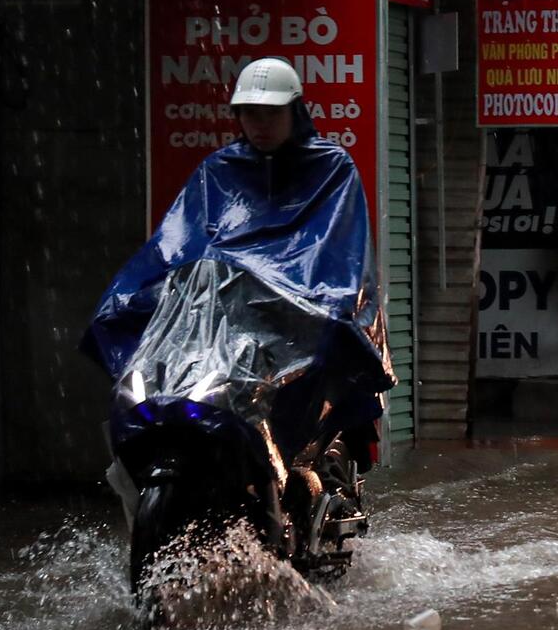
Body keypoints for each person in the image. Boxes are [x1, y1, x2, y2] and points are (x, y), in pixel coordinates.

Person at [82, 58, 394, 494]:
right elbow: (178, 245)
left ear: (295, 111)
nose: (260, 124)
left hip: (293, 322)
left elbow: (338, 253)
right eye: (250, 113)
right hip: (221, 328)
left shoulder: (330, 168)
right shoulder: (219, 171)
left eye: (271, 113)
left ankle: (299, 474)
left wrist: (309, 300)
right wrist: (139, 294)